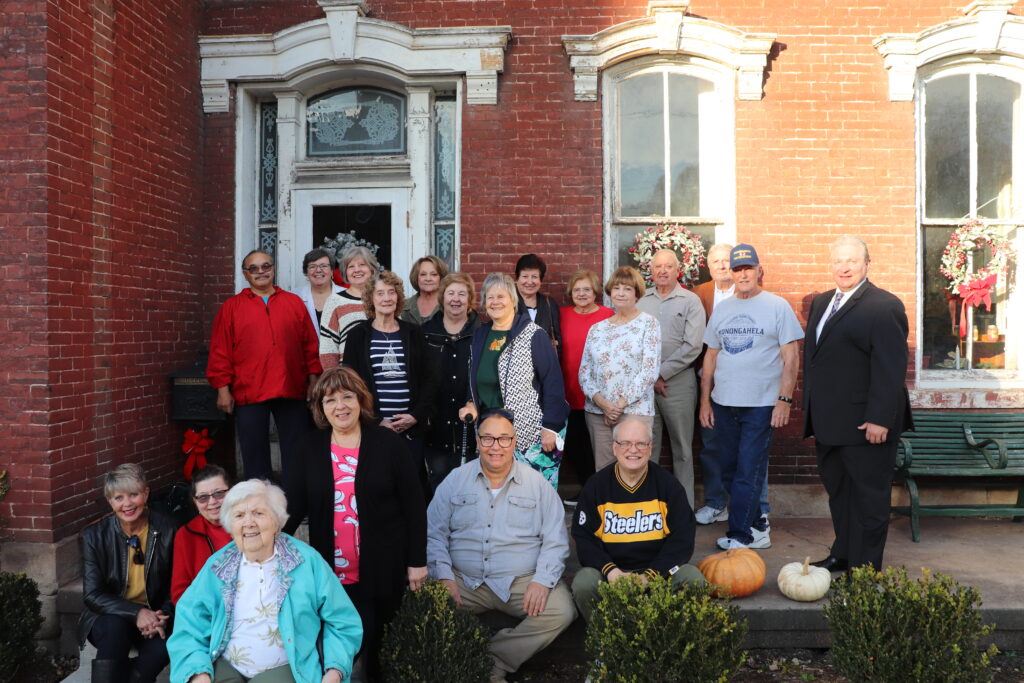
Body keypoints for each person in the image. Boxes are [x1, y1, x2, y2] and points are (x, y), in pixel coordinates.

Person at [284, 367, 427, 681]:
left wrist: (417, 561)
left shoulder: (388, 444)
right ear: (321, 408)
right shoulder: (308, 448)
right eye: (330, 399)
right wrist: (265, 548)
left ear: (361, 400)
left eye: (348, 396)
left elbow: (414, 505)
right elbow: (290, 509)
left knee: (377, 642)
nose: (340, 406)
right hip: (331, 572)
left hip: (383, 566)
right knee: (340, 644)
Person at [427, 409, 576, 683]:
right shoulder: (454, 481)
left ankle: (491, 659)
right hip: (464, 583)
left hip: (520, 583)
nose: (496, 446)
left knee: (562, 610)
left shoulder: (537, 484)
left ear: (515, 441)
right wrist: (444, 576)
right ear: (477, 441)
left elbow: (556, 539)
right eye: (488, 439)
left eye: (504, 439)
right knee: (423, 603)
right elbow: (434, 534)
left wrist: (543, 581)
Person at [168, 480, 363, 683]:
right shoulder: (219, 565)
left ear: (276, 522)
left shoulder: (305, 561)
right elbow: (189, 623)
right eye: (239, 515)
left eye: (258, 513)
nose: (248, 523)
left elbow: (343, 621)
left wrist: (335, 670)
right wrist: (198, 672)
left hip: (286, 668)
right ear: (230, 525)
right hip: (225, 665)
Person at [804, 236, 913, 572]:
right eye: (838, 260)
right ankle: (844, 553)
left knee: (869, 500)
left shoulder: (884, 305)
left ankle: (864, 570)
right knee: (841, 495)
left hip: (868, 425)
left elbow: (890, 367)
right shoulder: (823, 302)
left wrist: (880, 417)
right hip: (830, 423)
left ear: (867, 263)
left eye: (851, 260)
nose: (844, 267)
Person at [699, 244, 802, 551]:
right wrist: (705, 400)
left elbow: (792, 357)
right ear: (731, 273)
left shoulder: (776, 306)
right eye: (737, 269)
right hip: (724, 402)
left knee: (748, 469)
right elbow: (710, 357)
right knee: (730, 468)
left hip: (761, 404)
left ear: (759, 271)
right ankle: (757, 525)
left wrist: (784, 400)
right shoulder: (723, 309)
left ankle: (740, 534)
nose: (743, 274)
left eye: (748, 269)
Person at [571, 417, 704, 622]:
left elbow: (682, 540)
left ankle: (669, 642)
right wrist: (611, 571)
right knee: (584, 581)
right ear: (614, 447)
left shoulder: (668, 486)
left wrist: (650, 576)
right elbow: (584, 538)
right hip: (612, 575)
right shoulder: (596, 486)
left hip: (657, 575)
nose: (633, 450)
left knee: (692, 578)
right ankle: (606, 643)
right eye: (625, 443)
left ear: (650, 448)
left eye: (641, 443)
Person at [207, 249, 321, 480]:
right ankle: (261, 507)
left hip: (291, 387)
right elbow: (220, 351)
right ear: (245, 274)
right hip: (249, 390)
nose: (261, 272)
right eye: (254, 268)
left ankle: (295, 506)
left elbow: (310, 345)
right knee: (254, 456)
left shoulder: (294, 302)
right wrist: (222, 390)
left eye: (266, 266)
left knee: (296, 452)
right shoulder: (232, 307)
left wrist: (313, 381)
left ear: (273, 269)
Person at [460, 272, 569, 489]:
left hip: (530, 435)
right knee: (498, 495)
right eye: (490, 297)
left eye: (501, 297)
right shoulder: (480, 336)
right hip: (493, 436)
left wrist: (551, 426)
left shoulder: (533, 334)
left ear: (513, 300)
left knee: (535, 495)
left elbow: (553, 382)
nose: (495, 302)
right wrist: (470, 402)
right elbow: (475, 379)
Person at [692, 243, 770, 525]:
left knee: (751, 453)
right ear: (709, 267)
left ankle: (754, 510)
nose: (723, 266)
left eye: (728, 261)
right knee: (713, 446)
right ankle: (716, 502)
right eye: (716, 262)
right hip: (712, 384)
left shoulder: (758, 298)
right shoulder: (698, 294)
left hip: (752, 390)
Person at [79, 464, 177, 683]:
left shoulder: (170, 529)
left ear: (146, 494)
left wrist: (162, 615)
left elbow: (177, 585)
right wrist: (137, 613)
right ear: (110, 502)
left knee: (162, 648)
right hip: (108, 617)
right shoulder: (93, 536)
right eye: (119, 498)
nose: (127, 504)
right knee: (116, 629)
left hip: (158, 615)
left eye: (134, 495)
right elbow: (93, 595)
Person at [342, 271, 437, 478]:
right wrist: (376, 421)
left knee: (411, 487)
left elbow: (429, 379)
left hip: (411, 430)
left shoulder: (414, 333)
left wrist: (415, 416)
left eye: (391, 292)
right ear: (371, 299)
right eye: (380, 293)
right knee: (377, 484)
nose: (387, 298)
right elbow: (350, 385)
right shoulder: (358, 335)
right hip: (373, 430)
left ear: (398, 297)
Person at [636, 249, 706, 505]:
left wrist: (661, 373)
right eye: (658, 266)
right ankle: (646, 506)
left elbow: (693, 346)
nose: (663, 271)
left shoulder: (690, 301)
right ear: (651, 270)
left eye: (668, 266)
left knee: (683, 449)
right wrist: (651, 377)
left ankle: (683, 509)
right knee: (645, 447)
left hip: (678, 384)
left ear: (678, 270)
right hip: (644, 386)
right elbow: (633, 342)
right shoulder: (641, 300)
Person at [578, 266, 660, 470]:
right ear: (609, 292)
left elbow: (649, 371)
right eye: (616, 288)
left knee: (634, 468)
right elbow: (584, 372)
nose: (621, 293)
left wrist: (618, 406)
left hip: (634, 410)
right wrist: (604, 404)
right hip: (598, 413)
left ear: (637, 294)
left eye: (627, 289)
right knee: (604, 471)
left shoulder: (648, 324)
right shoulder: (597, 328)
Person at [422, 272, 482, 488]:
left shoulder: (482, 334)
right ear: (442, 297)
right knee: (438, 485)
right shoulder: (426, 334)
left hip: (471, 426)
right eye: (451, 293)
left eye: (462, 294)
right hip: (435, 426)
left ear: (469, 299)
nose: (456, 299)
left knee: (471, 486)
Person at [558, 269, 614, 494]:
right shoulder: (561, 314)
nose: (581, 294)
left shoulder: (607, 315)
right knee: (574, 446)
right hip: (568, 390)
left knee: (599, 448)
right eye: (577, 290)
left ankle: (597, 492)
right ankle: (590, 489)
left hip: (598, 394)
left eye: (587, 290)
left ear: (595, 292)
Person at [170, 465, 233, 603]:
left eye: (219, 493)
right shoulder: (185, 535)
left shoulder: (249, 526)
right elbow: (179, 593)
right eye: (203, 497)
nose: (212, 502)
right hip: (207, 614)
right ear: (195, 501)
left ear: (231, 493)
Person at [320, 245, 380, 369]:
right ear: (345, 273)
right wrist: (337, 381)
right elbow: (328, 347)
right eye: (351, 266)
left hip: (383, 371)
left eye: (362, 265)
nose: (357, 270)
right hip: (349, 376)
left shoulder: (384, 299)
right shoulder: (334, 301)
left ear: (372, 269)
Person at [514, 253, 562, 351]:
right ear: (517, 278)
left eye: (535, 277)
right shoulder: (509, 302)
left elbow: (557, 339)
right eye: (525, 276)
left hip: (544, 363)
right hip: (515, 364)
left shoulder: (549, 304)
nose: (530, 281)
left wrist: (555, 343)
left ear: (541, 280)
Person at [296, 247, 343, 333]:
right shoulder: (294, 297)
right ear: (306, 272)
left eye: (324, 266)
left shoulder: (346, 296)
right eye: (312, 267)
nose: (318, 270)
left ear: (332, 271)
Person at [401, 255, 449, 325]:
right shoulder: (404, 307)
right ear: (416, 277)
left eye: (434, 274)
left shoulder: (450, 305)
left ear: (441, 278)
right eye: (423, 274)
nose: (428, 279)